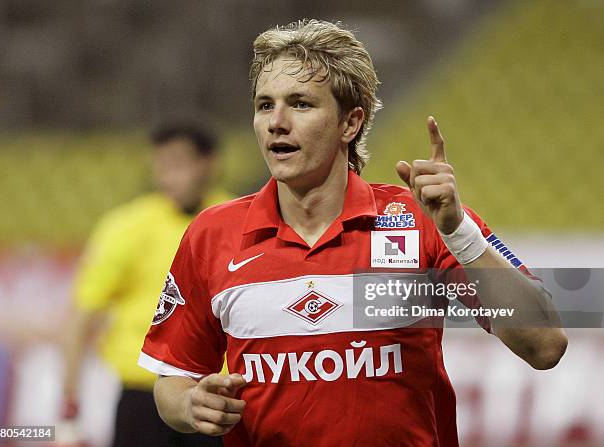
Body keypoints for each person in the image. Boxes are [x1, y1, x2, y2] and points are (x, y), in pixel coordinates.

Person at [138, 20, 568, 446]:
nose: (276, 122)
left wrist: (459, 233)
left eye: (301, 104)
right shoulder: (213, 234)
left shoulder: (419, 221)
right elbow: (172, 381)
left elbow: (544, 346)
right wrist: (193, 404)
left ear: (350, 123)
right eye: (265, 105)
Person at [62, 122, 228, 447]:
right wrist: (69, 399)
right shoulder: (126, 227)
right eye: (161, 166)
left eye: (179, 165)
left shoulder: (236, 222)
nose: (168, 178)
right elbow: (82, 315)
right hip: (143, 393)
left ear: (209, 165)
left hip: (213, 394)